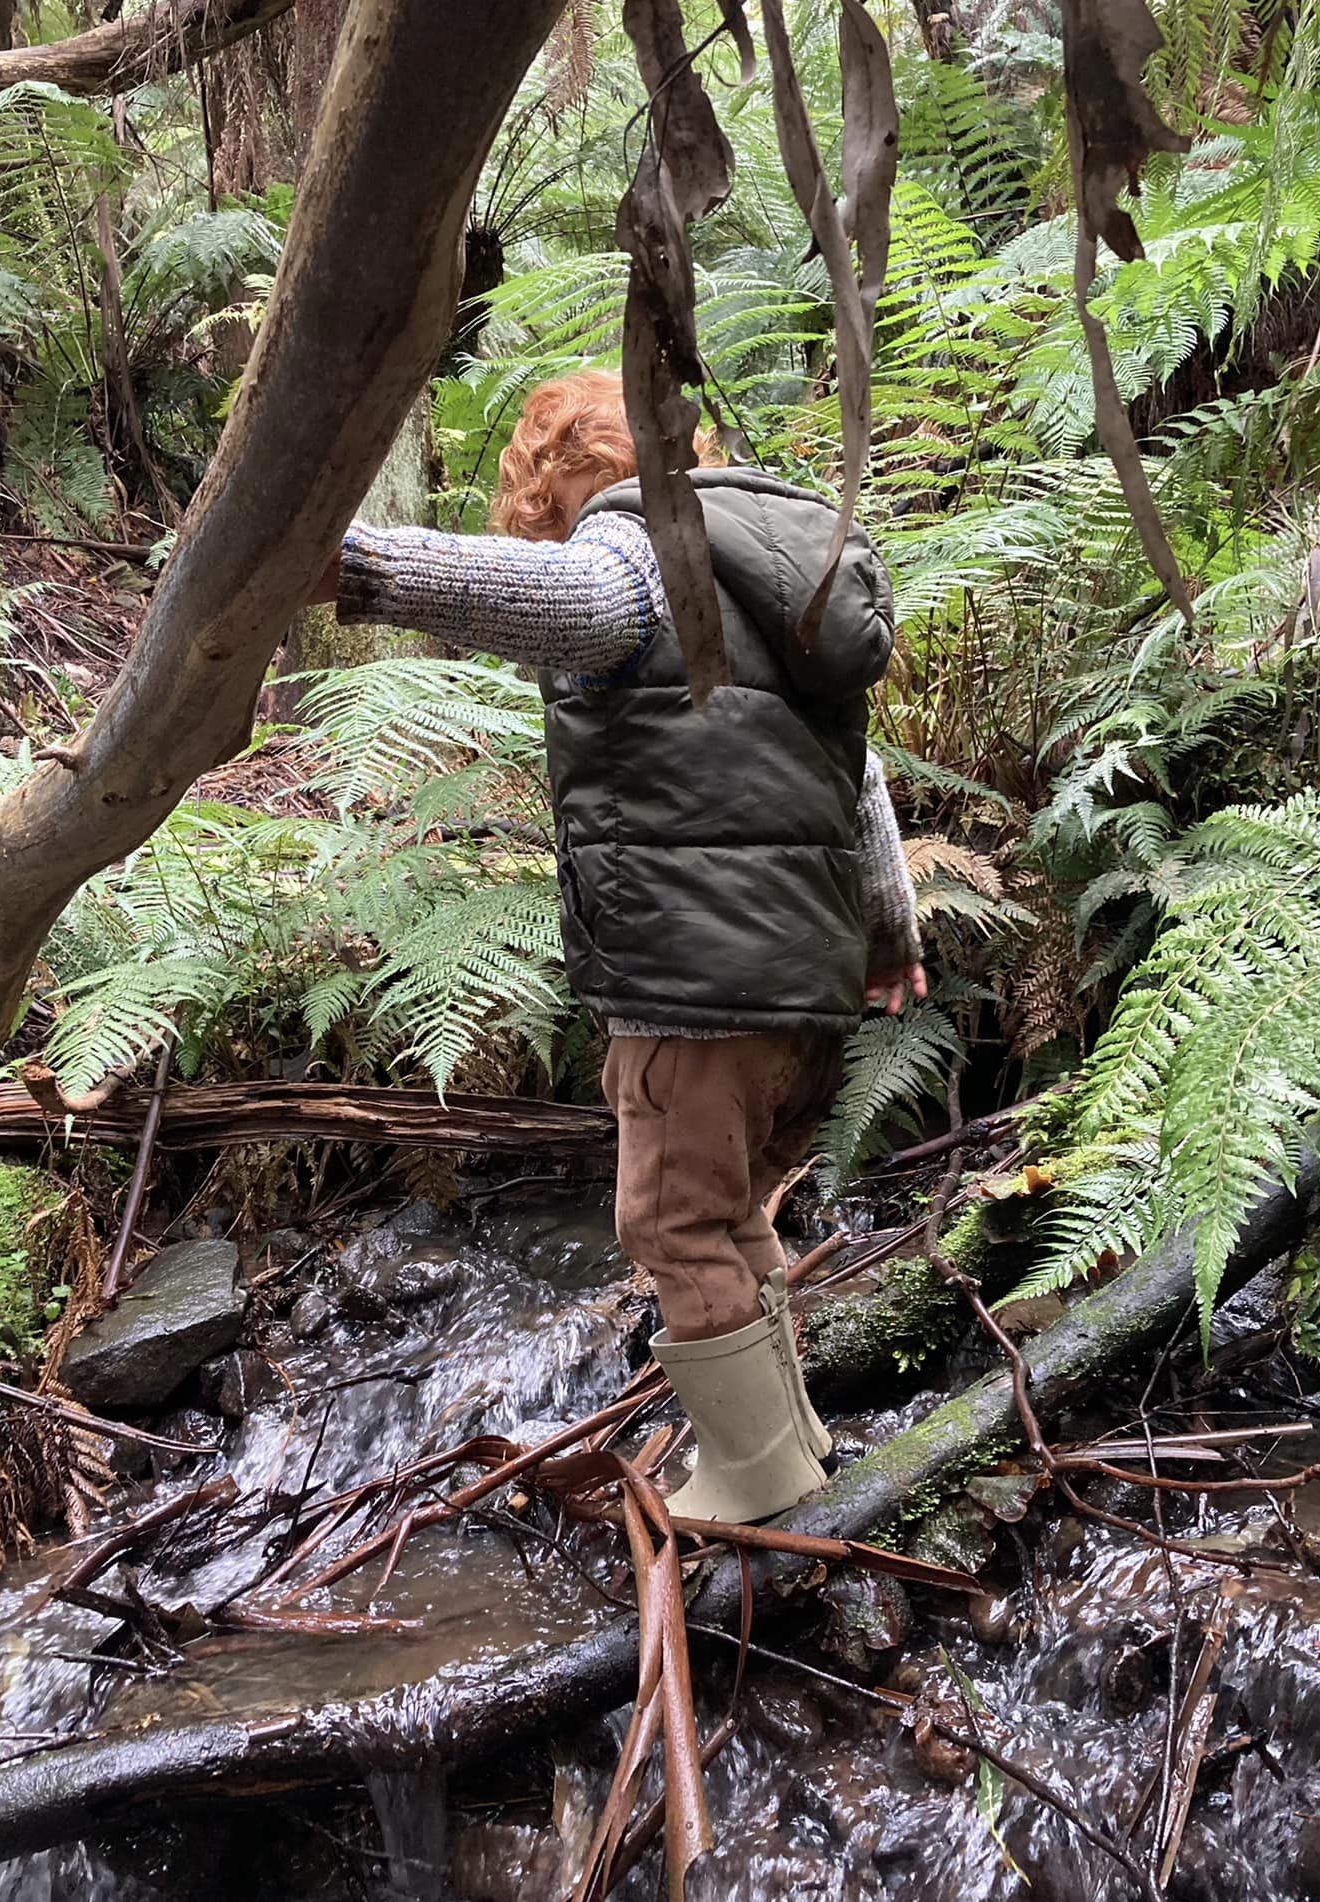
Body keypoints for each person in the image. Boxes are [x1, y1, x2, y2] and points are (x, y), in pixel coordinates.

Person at [309, 369, 925, 1524]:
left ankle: (757, 1480)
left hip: (692, 989)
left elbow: (565, 600)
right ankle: (793, 1444)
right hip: (805, 989)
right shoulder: (781, 586)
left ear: (573, 488)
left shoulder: (637, 559)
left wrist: (355, 568)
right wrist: (889, 941)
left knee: (667, 1220)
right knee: (733, 1208)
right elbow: (863, 783)